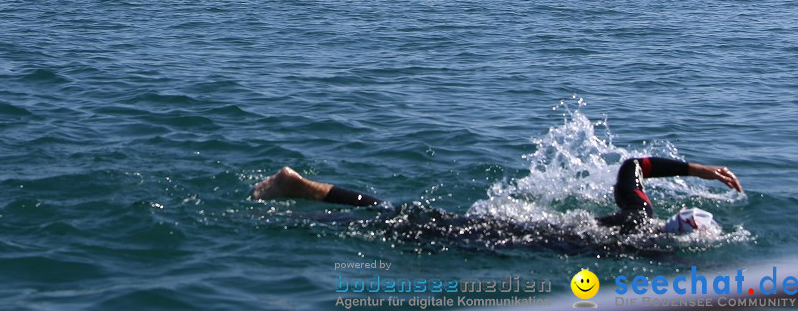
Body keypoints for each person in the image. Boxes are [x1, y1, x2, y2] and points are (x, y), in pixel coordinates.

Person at [253, 157, 742, 235]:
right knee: (402, 223)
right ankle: (302, 192)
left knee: (403, 217)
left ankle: (304, 192)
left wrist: (701, 170)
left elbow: (632, 165)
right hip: (520, 238)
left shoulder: (641, 213)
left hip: (523, 225)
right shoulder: (645, 242)